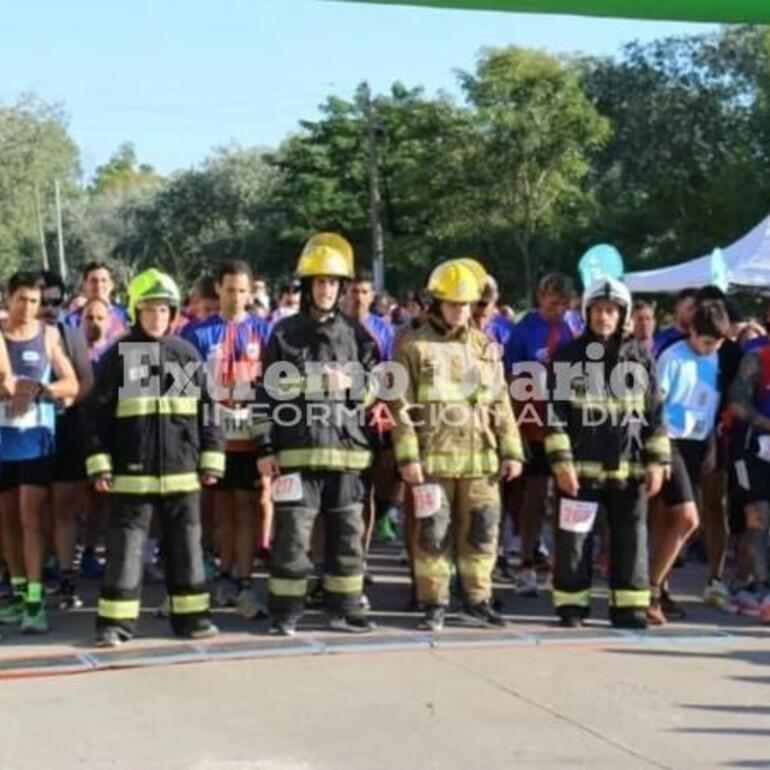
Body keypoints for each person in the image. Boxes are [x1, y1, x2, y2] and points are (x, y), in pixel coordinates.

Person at [84, 269, 224, 647]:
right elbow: (98, 414)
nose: (157, 317)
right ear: (135, 312)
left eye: (164, 310)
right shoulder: (120, 356)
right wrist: (99, 462)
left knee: (187, 549)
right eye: (149, 310)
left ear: (174, 312)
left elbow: (207, 411)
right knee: (126, 552)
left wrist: (212, 458)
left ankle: (192, 619)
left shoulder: (184, 354)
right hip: (133, 475)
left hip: (182, 474)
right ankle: (115, 625)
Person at [255, 233, 379, 636]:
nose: (326, 289)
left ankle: (344, 608)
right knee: (292, 538)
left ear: (341, 287)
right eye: (319, 282)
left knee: (347, 537)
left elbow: (377, 387)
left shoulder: (358, 336)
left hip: (346, 455)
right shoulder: (283, 334)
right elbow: (265, 392)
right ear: (307, 287)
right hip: (296, 453)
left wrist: (350, 384)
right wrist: (265, 447)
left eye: (332, 282)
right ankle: (285, 613)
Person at [391, 259, 524, 632]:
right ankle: (433, 602)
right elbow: (400, 406)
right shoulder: (413, 346)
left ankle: (477, 600)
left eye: (466, 304)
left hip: (481, 462)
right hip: (433, 462)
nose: (460, 311)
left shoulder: (486, 347)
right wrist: (408, 458)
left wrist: (511, 451)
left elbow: (502, 403)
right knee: (433, 535)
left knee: (482, 534)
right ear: (437, 303)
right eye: (452, 304)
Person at [545, 277, 670, 629]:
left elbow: (655, 414)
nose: (604, 318)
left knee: (631, 540)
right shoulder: (568, 357)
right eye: (598, 311)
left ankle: (629, 607)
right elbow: (555, 414)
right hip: (581, 470)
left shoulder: (641, 358)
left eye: (611, 311)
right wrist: (561, 462)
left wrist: (657, 462)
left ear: (622, 314)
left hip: (628, 470)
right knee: (574, 540)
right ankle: (572, 605)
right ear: (587, 313)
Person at [184, 261, 271, 617]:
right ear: (217, 289)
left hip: (252, 436)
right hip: (213, 434)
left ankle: (245, 578)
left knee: (248, 505)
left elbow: (275, 385)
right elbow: (186, 384)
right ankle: (224, 573)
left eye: (242, 291)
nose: (236, 297)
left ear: (251, 293)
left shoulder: (264, 332)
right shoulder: (198, 333)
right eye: (230, 289)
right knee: (220, 511)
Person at [0, 272, 78, 634]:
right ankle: (17, 593)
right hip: (3, 439)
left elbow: (72, 383)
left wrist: (41, 390)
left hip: (35, 437)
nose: (29, 308)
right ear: (8, 298)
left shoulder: (47, 336)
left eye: (35, 301)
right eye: (23, 300)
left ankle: (35, 599)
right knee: (7, 519)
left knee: (30, 515)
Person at [647, 302, 726, 624]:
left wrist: (710, 446)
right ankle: (650, 588)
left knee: (672, 520)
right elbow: (655, 405)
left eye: (716, 343)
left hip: (697, 442)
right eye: (706, 342)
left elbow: (709, 404)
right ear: (691, 332)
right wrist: (659, 451)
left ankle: (659, 586)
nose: (710, 349)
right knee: (688, 518)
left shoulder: (716, 357)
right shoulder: (673, 357)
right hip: (671, 440)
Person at [503, 272, 575, 596]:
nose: (556, 308)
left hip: (565, 424)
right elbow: (509, 375)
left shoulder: (574, 328)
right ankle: (526, 562)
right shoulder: (525, 329)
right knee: (533, 495)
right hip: (531, 421)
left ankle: (561, 564)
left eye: (562, 304)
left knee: (563, 495)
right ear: (540, 298)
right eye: (551, 302)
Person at [39, 271, 94, 610]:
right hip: (21, 433)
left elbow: (86, 380)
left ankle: (65, 578)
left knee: (63, 507)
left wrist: (72, 397)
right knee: (27, 509)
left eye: (56, 302)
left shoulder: (70, 336)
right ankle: (29, 576)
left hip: (66, 428)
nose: (49, 309)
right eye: (42, 302)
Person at [729, 336, 770, 620]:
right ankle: (760, 585)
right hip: (750, 451)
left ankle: (744, 578)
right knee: (758, 517)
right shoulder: (757, 358)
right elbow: (737, 403)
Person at [65, 262, 128, 343]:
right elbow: (70, 349)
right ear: (84, 285)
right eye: (93, 281)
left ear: (111, 285)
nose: (99, 285)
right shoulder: (73, 319)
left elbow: (141, 351)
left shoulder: (126, 315)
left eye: (104, 280)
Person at [653, 288, 697, 356]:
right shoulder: (661, 340)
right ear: (678, 307)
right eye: (690, 308)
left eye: (697, 309)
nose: (694, 313)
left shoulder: (699, 341)